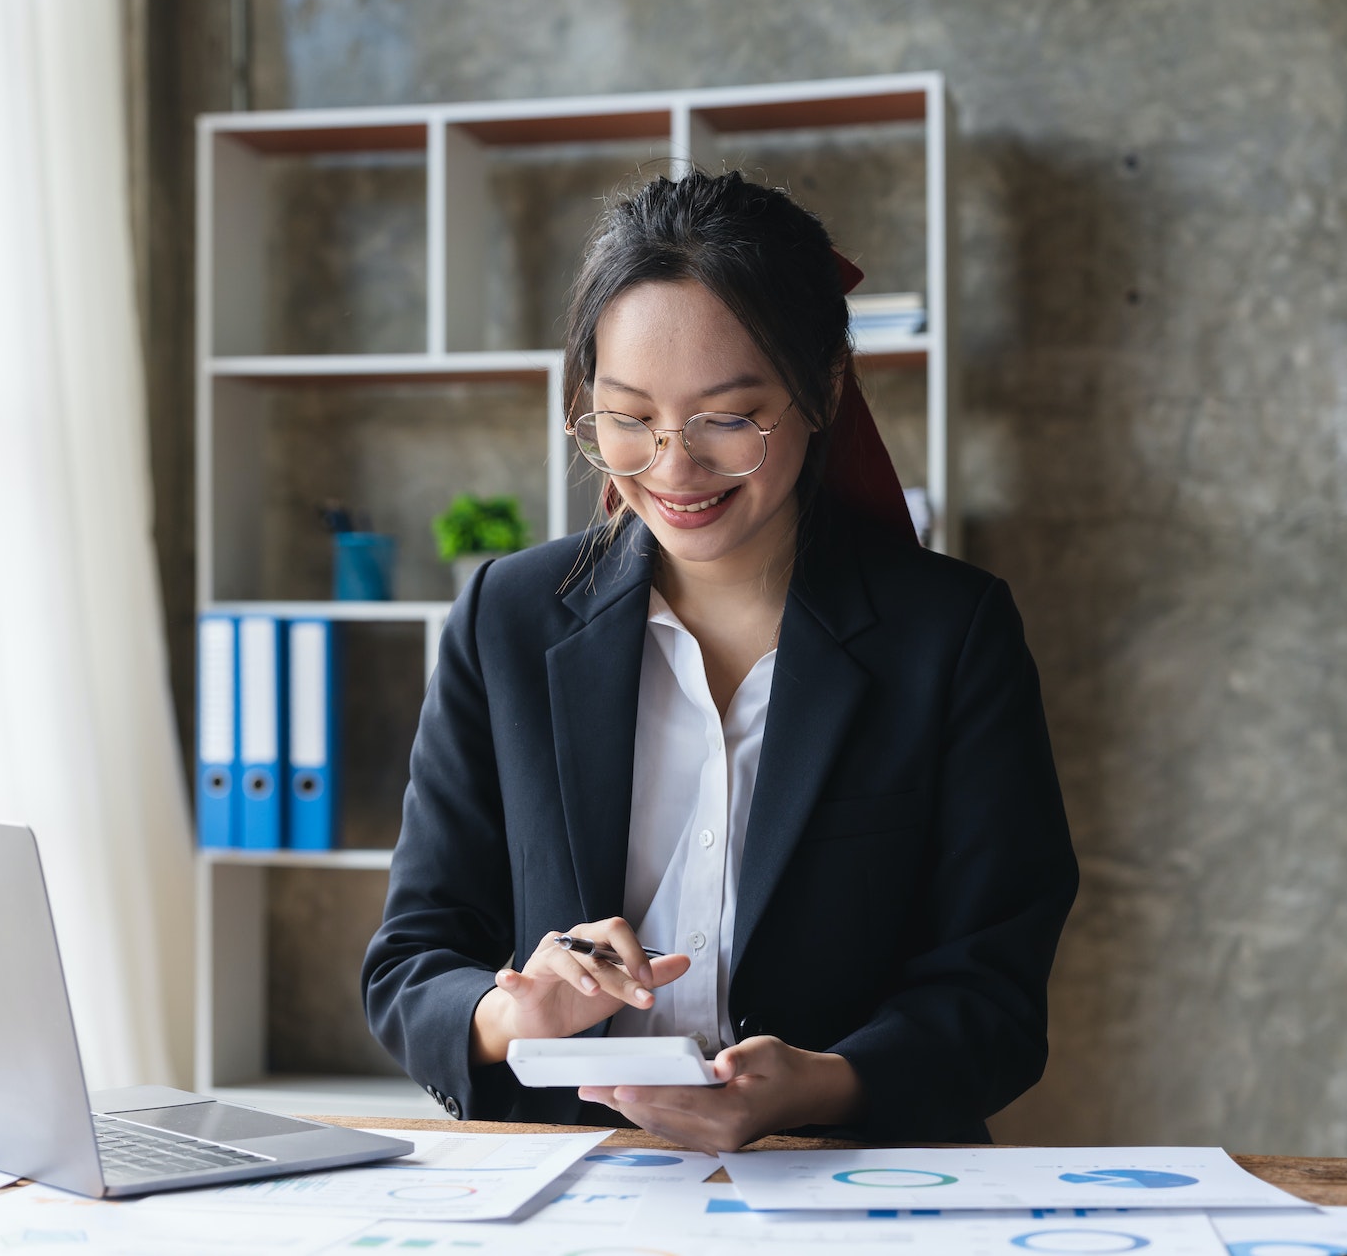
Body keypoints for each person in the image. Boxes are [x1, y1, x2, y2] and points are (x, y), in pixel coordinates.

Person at [361, 169, 1077, 1149]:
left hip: (843, 1187)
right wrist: (508, 1012)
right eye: (625, 416)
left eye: (727, 417)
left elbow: (993, 997)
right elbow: (410, 961)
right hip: (572, 1182)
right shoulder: (507, 619)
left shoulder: (948, 636)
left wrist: (820, 1084)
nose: (670, 466)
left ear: (822, 388)